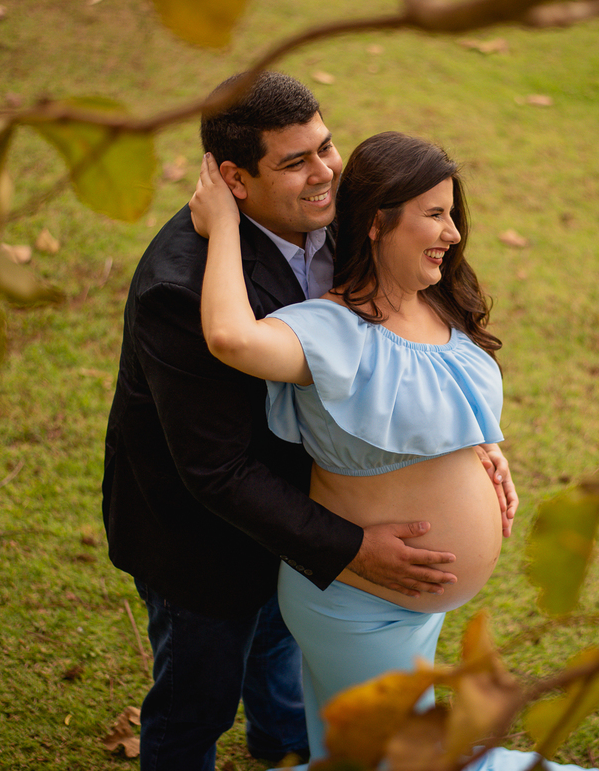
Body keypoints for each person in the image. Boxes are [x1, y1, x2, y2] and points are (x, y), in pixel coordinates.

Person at [102, 72, 512, 771]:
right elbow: (216, 469)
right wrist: (348, 546)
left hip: (308, 524)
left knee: (282, 667)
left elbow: (393, 349)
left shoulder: (342, 222)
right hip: (205, 542)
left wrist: (468, 440)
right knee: (197, 701)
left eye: (325, 146)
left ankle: (286, 747)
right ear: (234, 179)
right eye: (296, 163)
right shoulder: (180, 285)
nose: (326, 173)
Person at [193, 132, 596, 771]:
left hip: (413, 604)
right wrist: (222, 228)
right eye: (435, 215)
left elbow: (433, 400)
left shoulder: (438, 302)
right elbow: (229, 337)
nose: (454, 233)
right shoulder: (327, 330)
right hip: (359, 603)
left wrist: (484, 449)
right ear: (379, 222)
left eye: (452, 214)